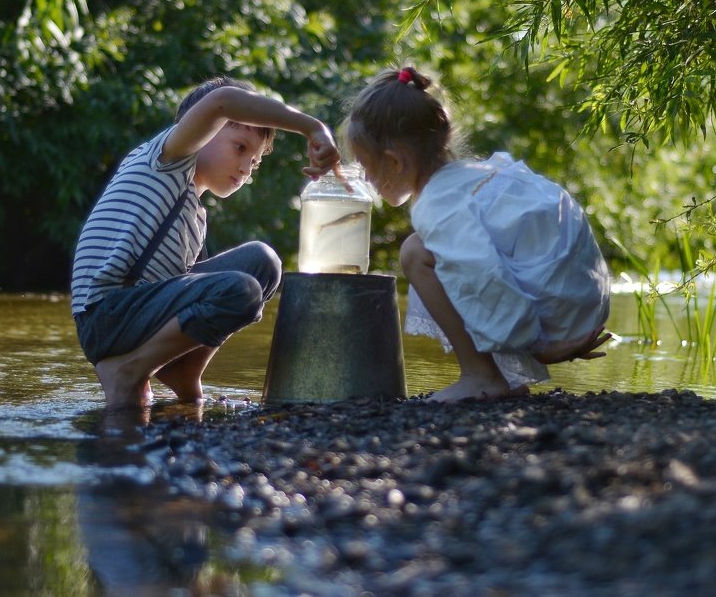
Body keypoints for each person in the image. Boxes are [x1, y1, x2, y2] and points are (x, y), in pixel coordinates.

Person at [342, 66, 612, 402]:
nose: (366, 179)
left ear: (394, 163)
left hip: (560, 319)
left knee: (415, 254)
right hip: (580, 300)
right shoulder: (478, 175)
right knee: (441, 254)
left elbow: (482, 276)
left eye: (367, 167)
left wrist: (540, 347)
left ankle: (482, 377)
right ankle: (503, 376)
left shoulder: (437, 205)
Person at [71, 76, 341, 408]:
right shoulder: (167, 158)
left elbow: (190, 302)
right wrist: (312, 127)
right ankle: (129, 371)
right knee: (239, 290)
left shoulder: (195, 217)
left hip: (139, 313)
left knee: (263, 263)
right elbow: (223, 101)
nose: (245, 168)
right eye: (240, 148)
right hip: (106, 314)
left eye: (254, 162)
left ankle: (183, 374)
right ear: (200, 131)